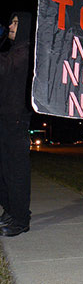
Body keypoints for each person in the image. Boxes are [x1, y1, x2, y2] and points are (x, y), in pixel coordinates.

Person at [0, 12, 33, 237]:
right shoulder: (13, 50)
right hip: (5, 118)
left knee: (16, 171)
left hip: (17, 120)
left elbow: (6, 67)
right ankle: (11, 210)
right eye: (11, 22)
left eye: (15, 23)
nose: (11, 26)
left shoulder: (26, 51)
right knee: (4, 170)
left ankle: (21, 219)